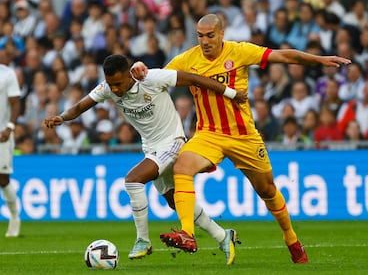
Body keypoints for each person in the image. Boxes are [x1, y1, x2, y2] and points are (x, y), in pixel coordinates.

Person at [130, 13, 351, 263]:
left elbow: (283, 55)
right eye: (201, 36)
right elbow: (154, 79)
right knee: (182, 166)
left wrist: (319, 60)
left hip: (244, 136)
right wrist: (138, 68)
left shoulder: (240, 51)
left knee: (267, 190)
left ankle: (291, 238)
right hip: (208, 134)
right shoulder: (186, 60)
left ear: (221, 34)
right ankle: (187, 234)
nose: (205, 41)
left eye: (210, 35)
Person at [44, 54, 246, 265]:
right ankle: (223, 236)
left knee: (133, 180)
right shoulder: (107, 88)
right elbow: (79, 107)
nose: (114, 89)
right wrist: (62, 117)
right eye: (111, 84)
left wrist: (231, 93)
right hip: (151, 149)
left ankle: (143, 240)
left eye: (118, 84)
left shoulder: (153, 79)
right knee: (175, 202)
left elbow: (194, 79)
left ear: (129, 74)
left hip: (173, 142)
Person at [0, 64, 21, 237]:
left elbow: (15, 102)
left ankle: (14, 217)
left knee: (2, 177)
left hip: (2, 134)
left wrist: (10, 127)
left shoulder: (7, 74)